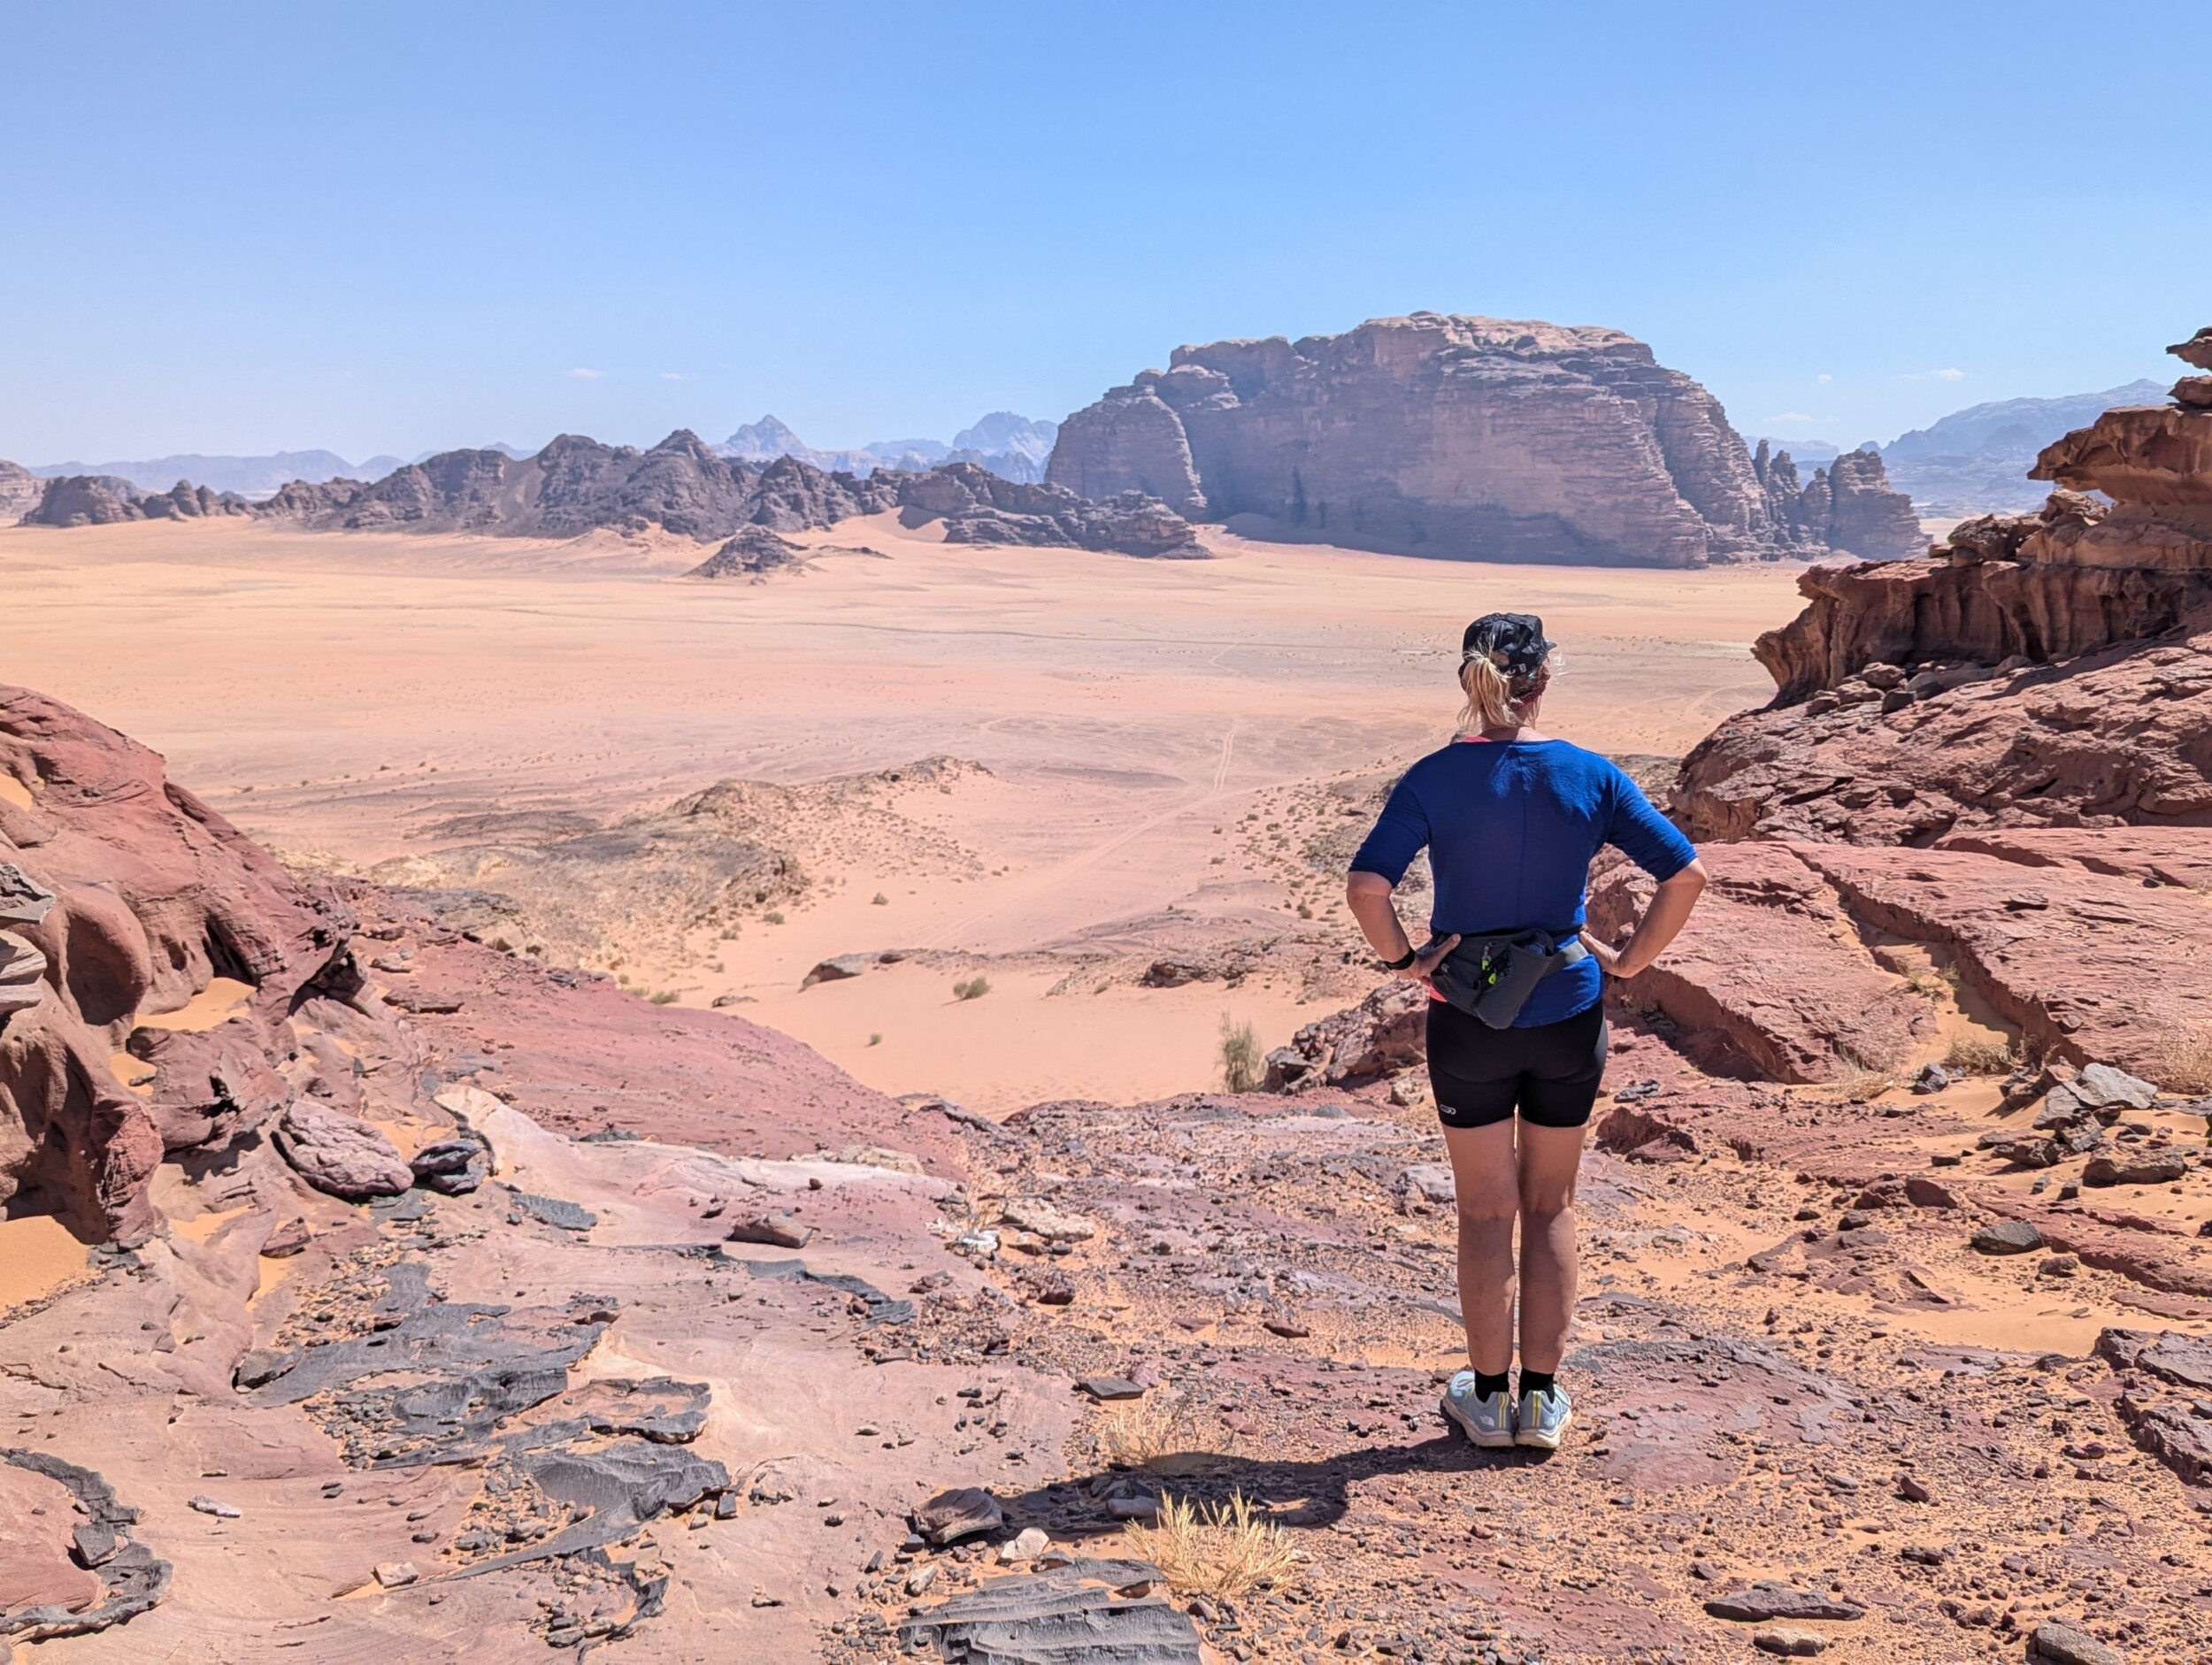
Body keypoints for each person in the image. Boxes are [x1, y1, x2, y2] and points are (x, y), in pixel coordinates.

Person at [1343, 613, 1707, 1451]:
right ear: (1544, 678)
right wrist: (1626, 961)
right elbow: (1686, 873)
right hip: (1569, 1014)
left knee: (1483, 1211)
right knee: (1550, 1204)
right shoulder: (1590, 776)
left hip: (1468, 1020)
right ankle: (1540, 1403)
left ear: (1468, 682)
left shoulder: (1434, 777)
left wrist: (1409, 964)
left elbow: (1368, 888)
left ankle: (1485, 1400)